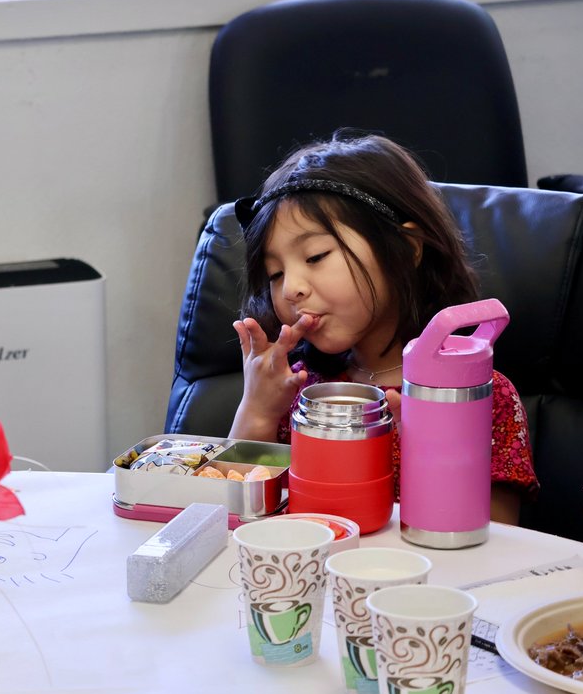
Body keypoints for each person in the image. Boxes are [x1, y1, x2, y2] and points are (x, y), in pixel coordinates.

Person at [228, 133, 536, 524]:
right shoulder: (297, 389)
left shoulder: (476, 396)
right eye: (275, 273)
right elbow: (236, 518)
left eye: (315, 255)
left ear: (407, 248)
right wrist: (256, 410)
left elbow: (495, 541)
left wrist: (433, 448)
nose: (291, 288)